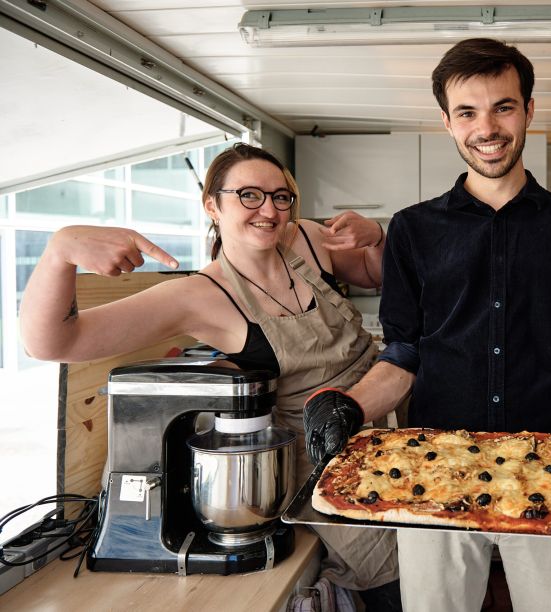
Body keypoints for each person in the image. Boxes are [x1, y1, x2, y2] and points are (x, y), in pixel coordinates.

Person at [303, 38, 551, 612]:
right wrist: (349, 404)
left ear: (529, 110)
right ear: (447, 122)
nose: (487, 127)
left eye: (503, 107)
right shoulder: (412, 230)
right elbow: (404, 352)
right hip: (431, 469)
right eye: (468, 112)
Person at [19, 143, 401, 611]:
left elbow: (375, 274)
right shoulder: (198, 296)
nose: (270, 210)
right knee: (393, 576)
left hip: (390, 413)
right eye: (249, 195)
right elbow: (52, 343)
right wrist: (59, 252)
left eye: (281, 197)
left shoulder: (304, 237)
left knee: (441, 544)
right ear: (211, 204)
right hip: (325, 458)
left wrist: (376, 238)